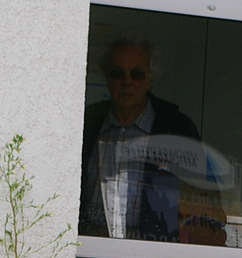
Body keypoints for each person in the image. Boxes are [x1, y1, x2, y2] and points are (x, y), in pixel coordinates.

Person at [79, 38, 201, 242]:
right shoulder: (87, 123)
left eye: (137, 74)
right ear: (107, 79)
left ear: (150, 79)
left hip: (154, 251)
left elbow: (200, 199)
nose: (127, 82)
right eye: (118, 73)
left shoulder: (177, 128)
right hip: (91, 245)